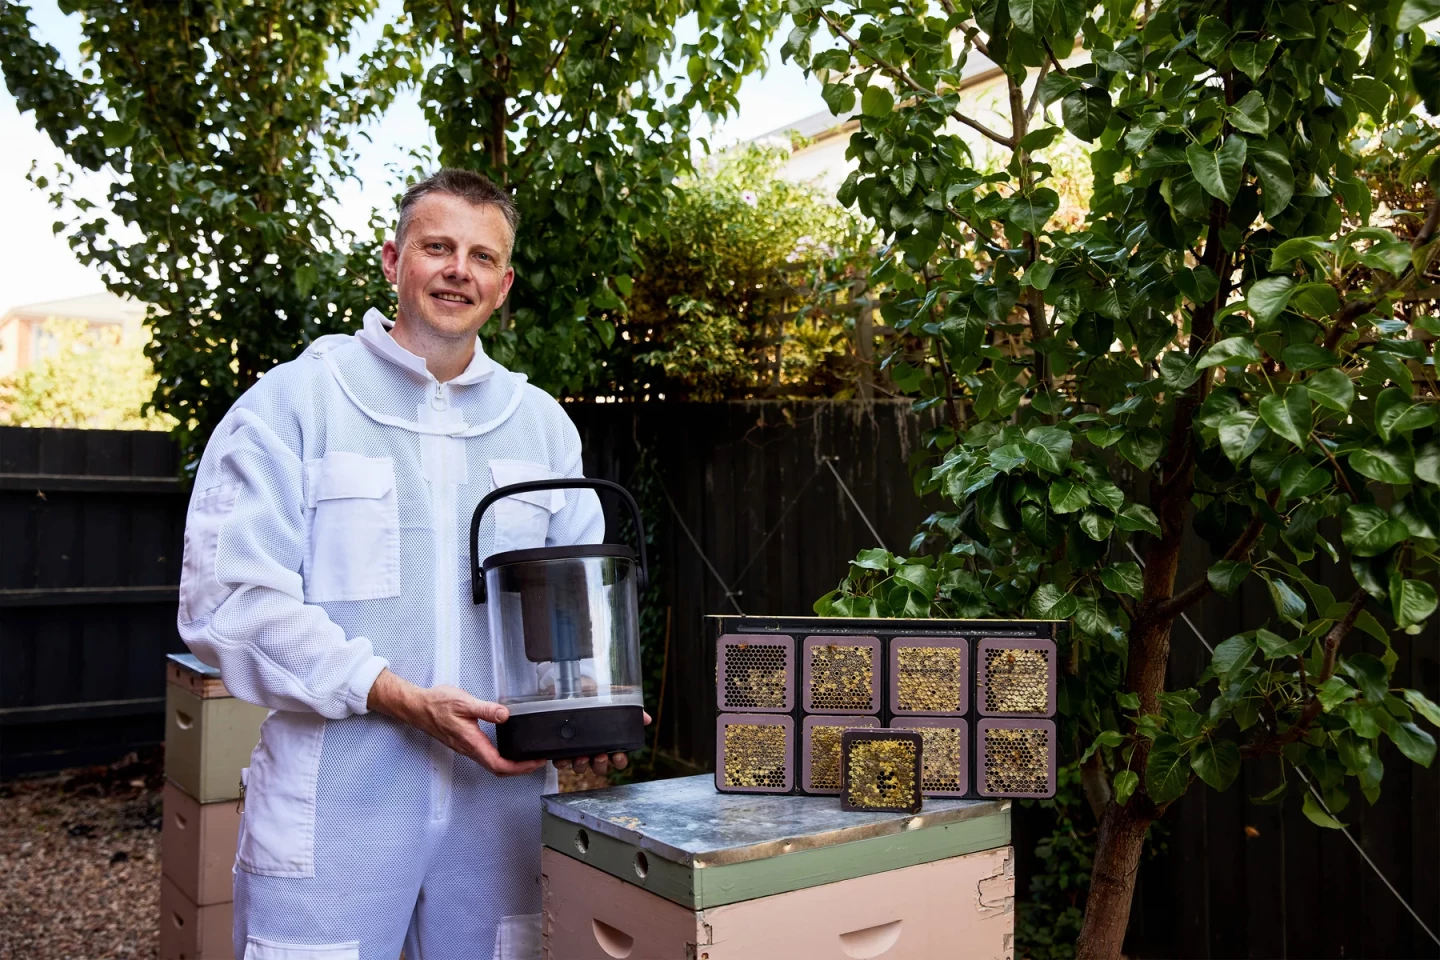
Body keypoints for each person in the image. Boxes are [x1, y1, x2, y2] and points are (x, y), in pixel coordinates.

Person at [177, 169, 639, 960]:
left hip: (501, 808)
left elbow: (578, 618)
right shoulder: (294, 404)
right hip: (336, 805)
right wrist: (396, 695)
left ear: (503, 286)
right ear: (393, 262)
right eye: (438, 247)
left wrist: (590, 709)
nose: (460, 269)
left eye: (482, 256)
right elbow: (232, 603)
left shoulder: (541, 427)